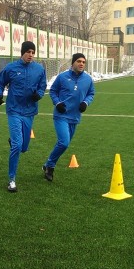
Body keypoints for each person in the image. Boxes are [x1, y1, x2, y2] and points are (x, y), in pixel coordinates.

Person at [0, 41, 47, 193]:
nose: (31, 54)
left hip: (29, 111)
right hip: (14, 110)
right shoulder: (11, 68)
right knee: (17, 145)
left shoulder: (39, 69)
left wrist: (39, 94)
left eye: (33, 52)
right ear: (22, 52)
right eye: (28, 52)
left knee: (23, 148)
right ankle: (11, 180)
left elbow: (42, 86)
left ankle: (15, 142)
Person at [42, 53, 95, 182]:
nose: (81, 64)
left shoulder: (88, 79)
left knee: (64, 144)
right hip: (61, 115)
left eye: (83, 62)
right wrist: (58, 103)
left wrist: (85, 102)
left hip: (75, 117)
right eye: (78, 61)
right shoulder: (62, 77)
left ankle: (48, 164)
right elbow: (53, 91)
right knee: (64, 142)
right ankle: (50, 167)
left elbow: (91, 93)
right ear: (73, 63)